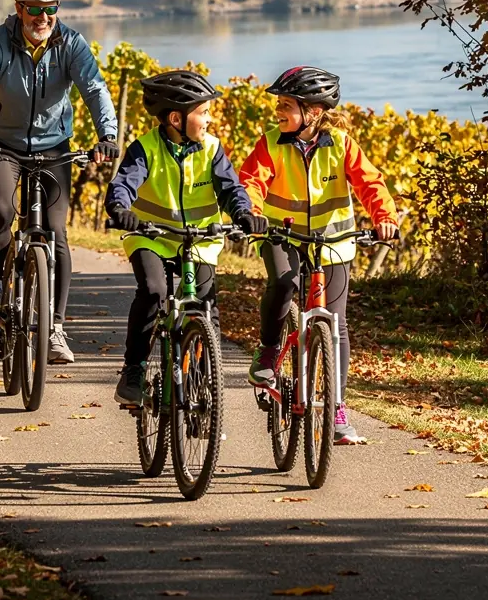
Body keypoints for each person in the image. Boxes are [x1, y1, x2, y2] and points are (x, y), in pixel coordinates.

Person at [0, 0, 118, 363]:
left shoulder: (71, 44)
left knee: (56, 231)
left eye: (50, 9)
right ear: (18, 9)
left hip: (53, 146)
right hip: (0, 144)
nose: (42, 18)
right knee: (2, 209)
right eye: (33, 10)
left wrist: (107, 136)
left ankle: (56, 328)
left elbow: (94, 87)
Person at [239, 65, 398, 445]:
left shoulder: (342, 144)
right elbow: (250, 182)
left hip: (333, 242)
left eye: (286, 105)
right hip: (282, 236)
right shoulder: (270, 143)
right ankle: (268, 351)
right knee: (283, 282)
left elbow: (370, 183)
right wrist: (252, 213)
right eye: (278, 104)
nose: (278, 111)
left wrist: (385, 218)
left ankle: (338, 410)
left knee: (336, 325)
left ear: (313, 111)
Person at [105, 69, 264, 406]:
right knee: (153, 291)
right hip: (151, 236)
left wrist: (244, 214)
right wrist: (120, 207)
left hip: (200, 240)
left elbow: (231, 189)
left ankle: (205, 381)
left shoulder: (211, 149)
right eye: (203, 113)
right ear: (176, 118)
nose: (209, 119)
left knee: (206, 307)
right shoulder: (144, 148)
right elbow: (124, 183)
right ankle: (133, 370)